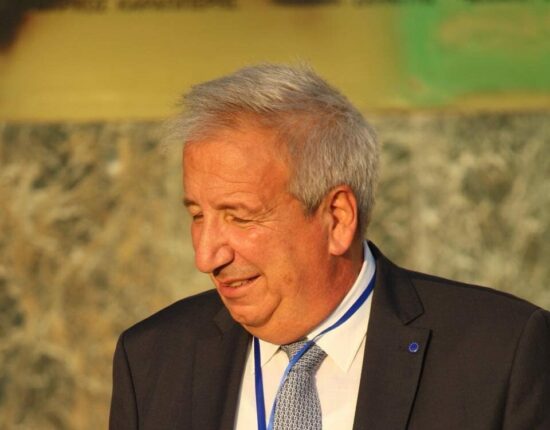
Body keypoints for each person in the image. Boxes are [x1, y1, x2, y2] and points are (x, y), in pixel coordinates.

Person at [109, 64, 550, 430]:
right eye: (197, 215)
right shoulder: (152, 360)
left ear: (337, 218)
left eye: (239, 217)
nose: (206, 257)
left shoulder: (502, 354)